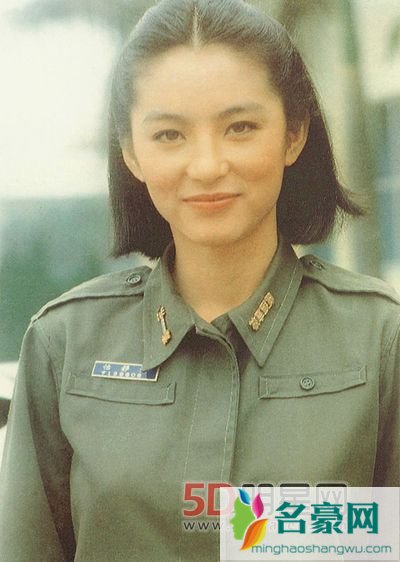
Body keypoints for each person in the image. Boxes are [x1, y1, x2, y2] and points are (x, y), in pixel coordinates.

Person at [1, 0, 399, 560]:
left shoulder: (381, 339)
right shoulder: (63, 345)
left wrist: (269, 532)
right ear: (131, 151)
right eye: (169, 134)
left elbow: (382, 538)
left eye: (240, 127)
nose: (207, 165)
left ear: (293, 134)